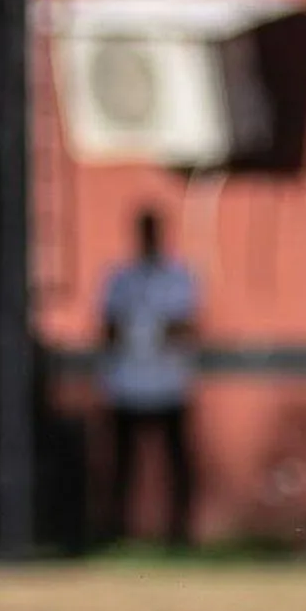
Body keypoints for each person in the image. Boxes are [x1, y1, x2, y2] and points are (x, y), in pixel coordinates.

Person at [99, 207, 199, 551]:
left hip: (168, 383)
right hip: (127, 384)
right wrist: (149, 329)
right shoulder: (120, 278)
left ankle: (179, 531)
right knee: (123, 464)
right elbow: (107, 327)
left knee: (176, 463)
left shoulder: (177, 275)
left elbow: (185, 326)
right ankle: (118, 530)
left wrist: (141, 328)